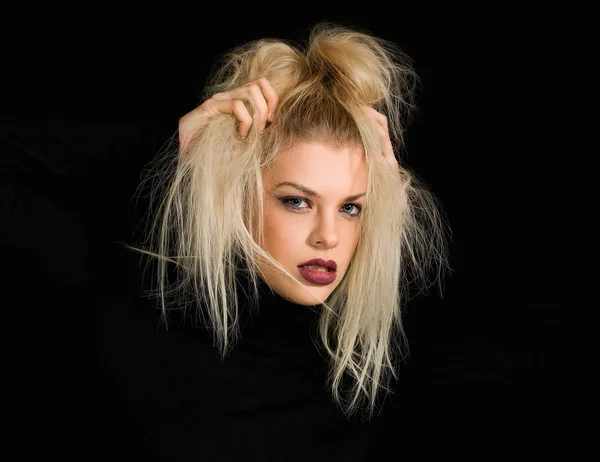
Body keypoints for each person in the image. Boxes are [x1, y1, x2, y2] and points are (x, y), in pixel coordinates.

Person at [2, 22, 449, 461]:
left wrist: (392, 207)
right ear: (238, 194)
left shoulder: (384, 354)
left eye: (351, 207)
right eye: (296, 201)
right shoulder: (119, 298)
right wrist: (171, 149)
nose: (328, 236)